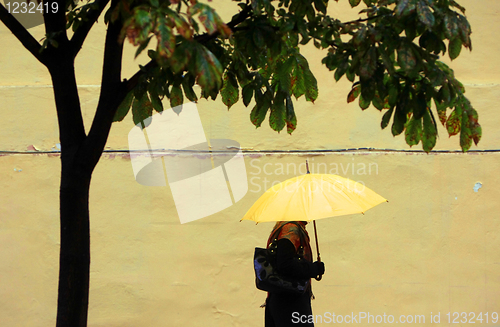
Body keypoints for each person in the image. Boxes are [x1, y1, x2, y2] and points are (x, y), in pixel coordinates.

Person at [264, 221, 325, 327]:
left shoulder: (281, 227)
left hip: (278, 298)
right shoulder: (291, 230)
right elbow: (285, 264)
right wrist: (313, 269)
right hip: (291, 302)